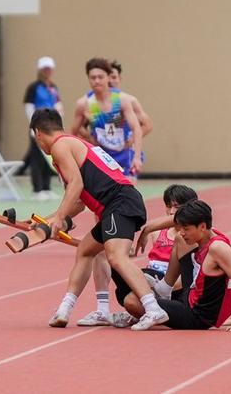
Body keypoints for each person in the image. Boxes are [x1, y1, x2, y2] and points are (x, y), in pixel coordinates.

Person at [30, 106, 169, 331]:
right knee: (86, 250)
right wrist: (49, 220)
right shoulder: (72, 144)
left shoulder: (59, 146)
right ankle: (68, 310)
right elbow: (79, 201)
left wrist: (59, 218)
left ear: (38, 133)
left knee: (116, 257)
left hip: (120, 202)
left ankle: (153, 308)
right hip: (115, 205)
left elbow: (76, 185)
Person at [71, 58, 151, 326]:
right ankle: (105, 296)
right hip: (104, 165)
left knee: (124, 210)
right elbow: (73, 132)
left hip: (125, 164)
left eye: (103, 77)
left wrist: (136, 151)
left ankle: (126, 246)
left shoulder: (125, 100)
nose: (99, 82)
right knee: (104, 233)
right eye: (92, 78)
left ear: (111, 78)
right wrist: (90, 141)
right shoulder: (85, 104)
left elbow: (144, 125)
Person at [113, 200, 231, 331]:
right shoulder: (205, 234)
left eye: (186, 229)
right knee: (179, 240)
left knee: (131, 301)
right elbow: (175, 223)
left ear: (202, 226)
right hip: (190, 295)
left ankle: (156, 311)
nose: (182, 232)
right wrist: (147, 229)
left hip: (197, 315)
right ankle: (163, 290)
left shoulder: (218, 248)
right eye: (180, 228)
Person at [22, 56, 63, 201]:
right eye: (45, 69)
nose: (47, 72)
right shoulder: (34, 87)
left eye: (49, 69)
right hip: (38, 126)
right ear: (40, 70)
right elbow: (28, 107)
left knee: (49, 157)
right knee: (37, 158)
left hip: (51, 128)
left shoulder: (53, 87)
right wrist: (33, 126)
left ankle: (46, 187)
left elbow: (57, 104)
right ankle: (37, 189)